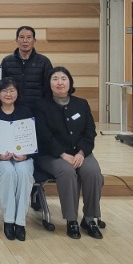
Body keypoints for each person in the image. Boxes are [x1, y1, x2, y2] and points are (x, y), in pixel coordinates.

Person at [34, 66, 104, 240]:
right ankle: (71, 219)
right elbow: (44, 135)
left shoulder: (81, 104)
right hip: (52, 155)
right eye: (55, 79)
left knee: (93, 172)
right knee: (67, 172)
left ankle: (89, 219)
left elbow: (90, 132)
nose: (59, 82)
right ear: (49, 84)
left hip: (80, 153)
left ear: (70, 82)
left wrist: (81, 153)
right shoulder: (41, 106)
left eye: (63, 78)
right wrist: (63, 155)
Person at [0, 78, 34, 241]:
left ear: (17, 93)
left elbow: (34, 140)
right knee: (7, 171)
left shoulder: (26, 113)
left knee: (23, 172)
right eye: (5, 90)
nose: (8, 94)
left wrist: (26, 155)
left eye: (12, 90)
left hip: (23, 157)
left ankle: (20, 222)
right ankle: (8, 220)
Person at [0, 25, 53, 109]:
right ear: (16, 40)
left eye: (29, 37)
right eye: (21, 37)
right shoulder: (7, 61)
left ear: (34, 40)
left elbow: (49, 87)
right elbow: (1, 86)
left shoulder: (44, 61)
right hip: (13, 109)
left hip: (37, 109)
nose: (25, 40)